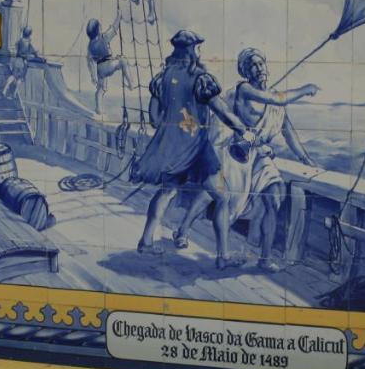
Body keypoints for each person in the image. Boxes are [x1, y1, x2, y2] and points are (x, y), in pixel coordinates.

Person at [173, 48, 319, 271]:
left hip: (259, 156)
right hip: (236, 153)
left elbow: (288, 133)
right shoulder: (245, 90)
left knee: (274, 198)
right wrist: (305, 89)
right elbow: (275, 99)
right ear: (245, 71)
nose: (258, 68)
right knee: (214, 194)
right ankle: (184, 230)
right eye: (253, 66)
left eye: (261, 64)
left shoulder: (276, 106)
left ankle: (265, 258)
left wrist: (306, 159)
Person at [132, 30, 254, 265]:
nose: (200, 51)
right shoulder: (201, 78)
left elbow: (155, 120)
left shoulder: (161, 79)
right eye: (198, 47)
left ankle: (146, 241)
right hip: (197, 148)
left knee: (166, 192)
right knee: (223, 197)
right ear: (191, 50)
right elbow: (224, 113)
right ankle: (223, 257)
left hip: (172, 148)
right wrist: (243, 130)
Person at [85, 15, 133, 115]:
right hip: (108, 64)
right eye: (100, 27)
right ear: (98, 30)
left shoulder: (90, 46)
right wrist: (119, 17)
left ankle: (99, 108)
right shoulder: (103, 37)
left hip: (99, 69)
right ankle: (130, 83)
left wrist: (93, 76)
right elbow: (114, 28)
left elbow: (90, 61)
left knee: (101, 89)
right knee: (123, 61)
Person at [2, 26, 41, 98]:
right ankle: (14, 94)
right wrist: (36, 55)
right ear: (29, 34)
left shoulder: (19, 41)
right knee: (20, 78)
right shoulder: (28, 43)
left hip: (17, 61)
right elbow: (33, 52)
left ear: (23, 33)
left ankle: (5, 89)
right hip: (23, 63)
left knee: (13, 76)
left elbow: (17, 49)